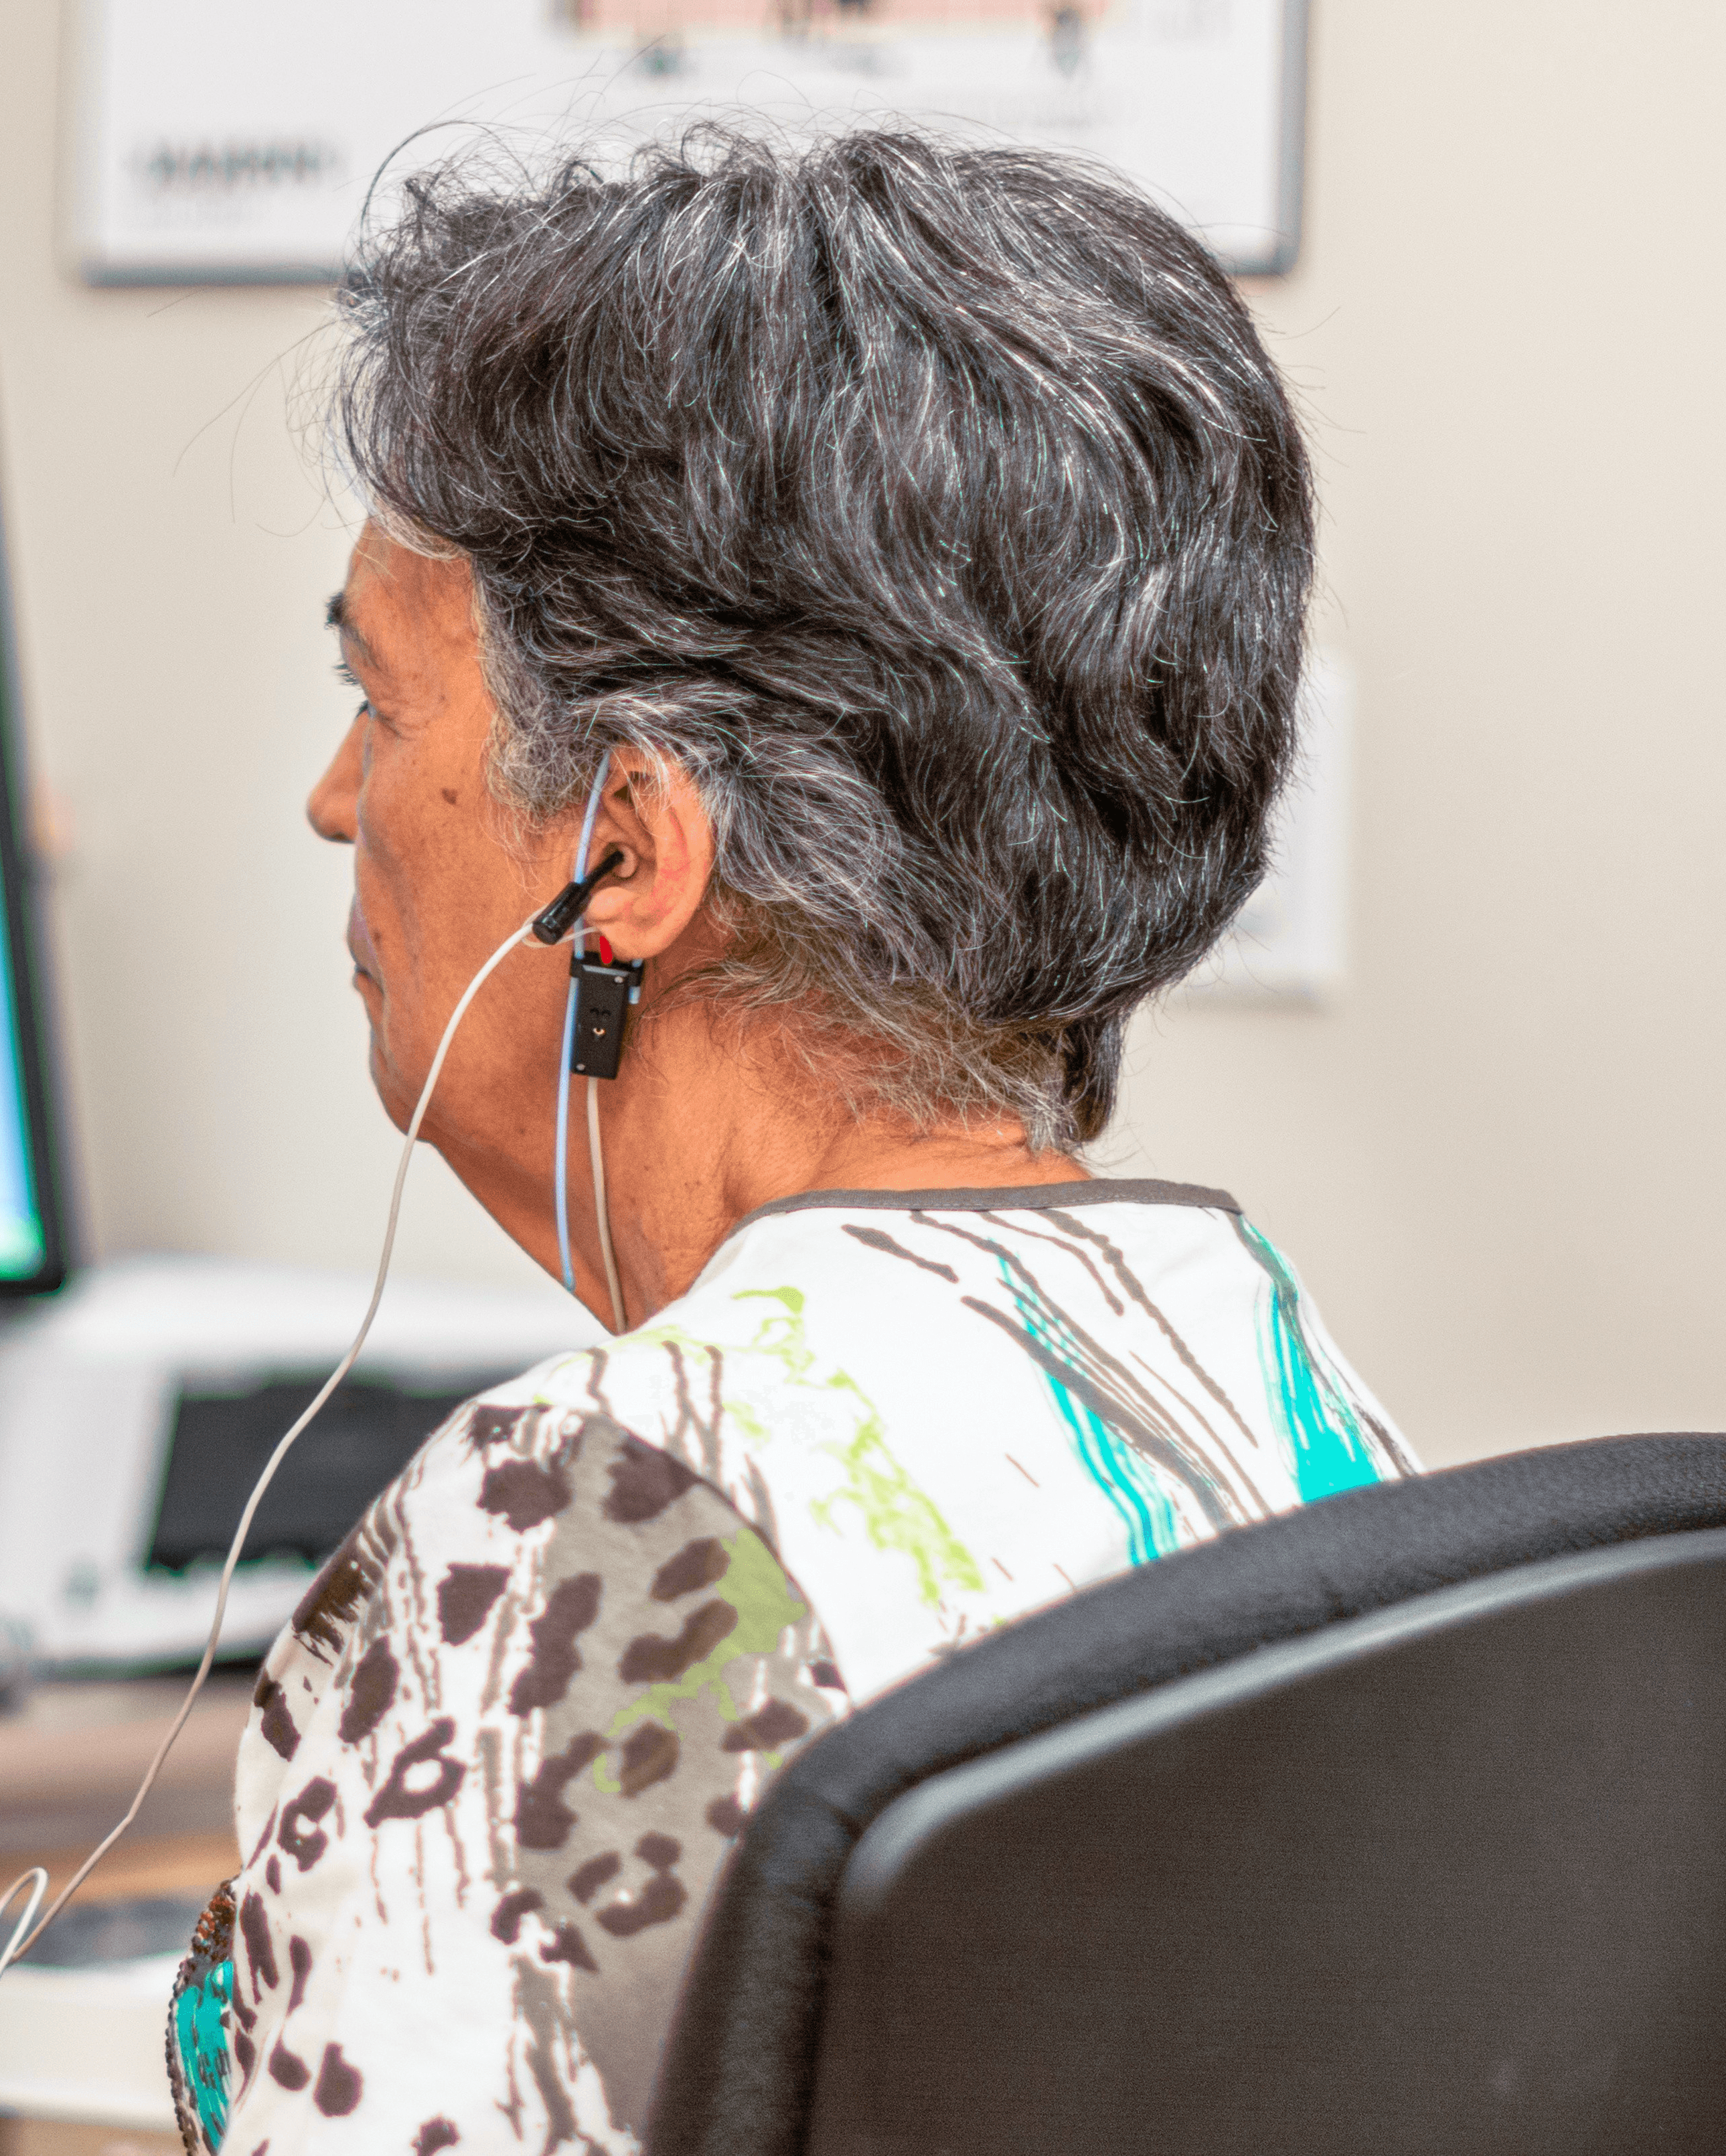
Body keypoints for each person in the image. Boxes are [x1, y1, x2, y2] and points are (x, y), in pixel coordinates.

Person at [163, 127, 1413, 2156]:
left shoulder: (597, 1527)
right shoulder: (1276, 1395)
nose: (331, 798)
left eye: (377, 699)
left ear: (629, 852)